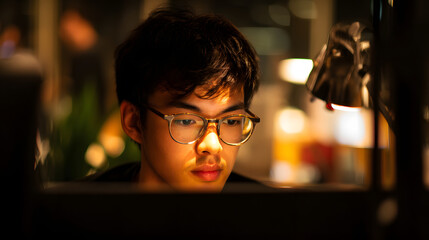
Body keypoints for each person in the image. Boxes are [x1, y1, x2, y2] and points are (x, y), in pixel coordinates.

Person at [83, 7, 261, 192]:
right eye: (186, 121)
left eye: (231, 121)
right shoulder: (74, 212)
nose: (212, 146)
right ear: (134, 122)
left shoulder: (272, 213)